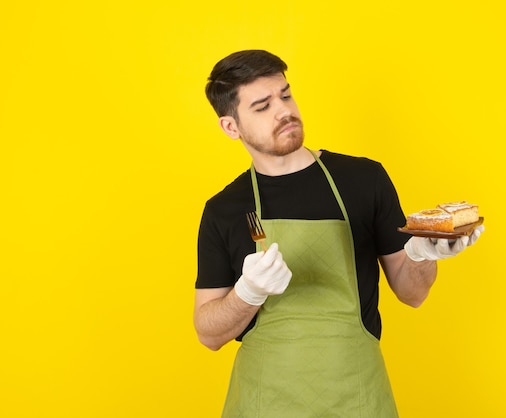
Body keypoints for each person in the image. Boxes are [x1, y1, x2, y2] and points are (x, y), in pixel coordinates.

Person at [193, 49, 484, 418]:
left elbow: (412, 293)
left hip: (357, 396)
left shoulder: (364, 180)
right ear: (231, 127)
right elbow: (208, 333)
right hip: (264, 401)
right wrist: (247, 293)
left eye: (285, 95)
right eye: (262, 106)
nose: (284, 110)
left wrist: (421, 255)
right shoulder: (225, 209)